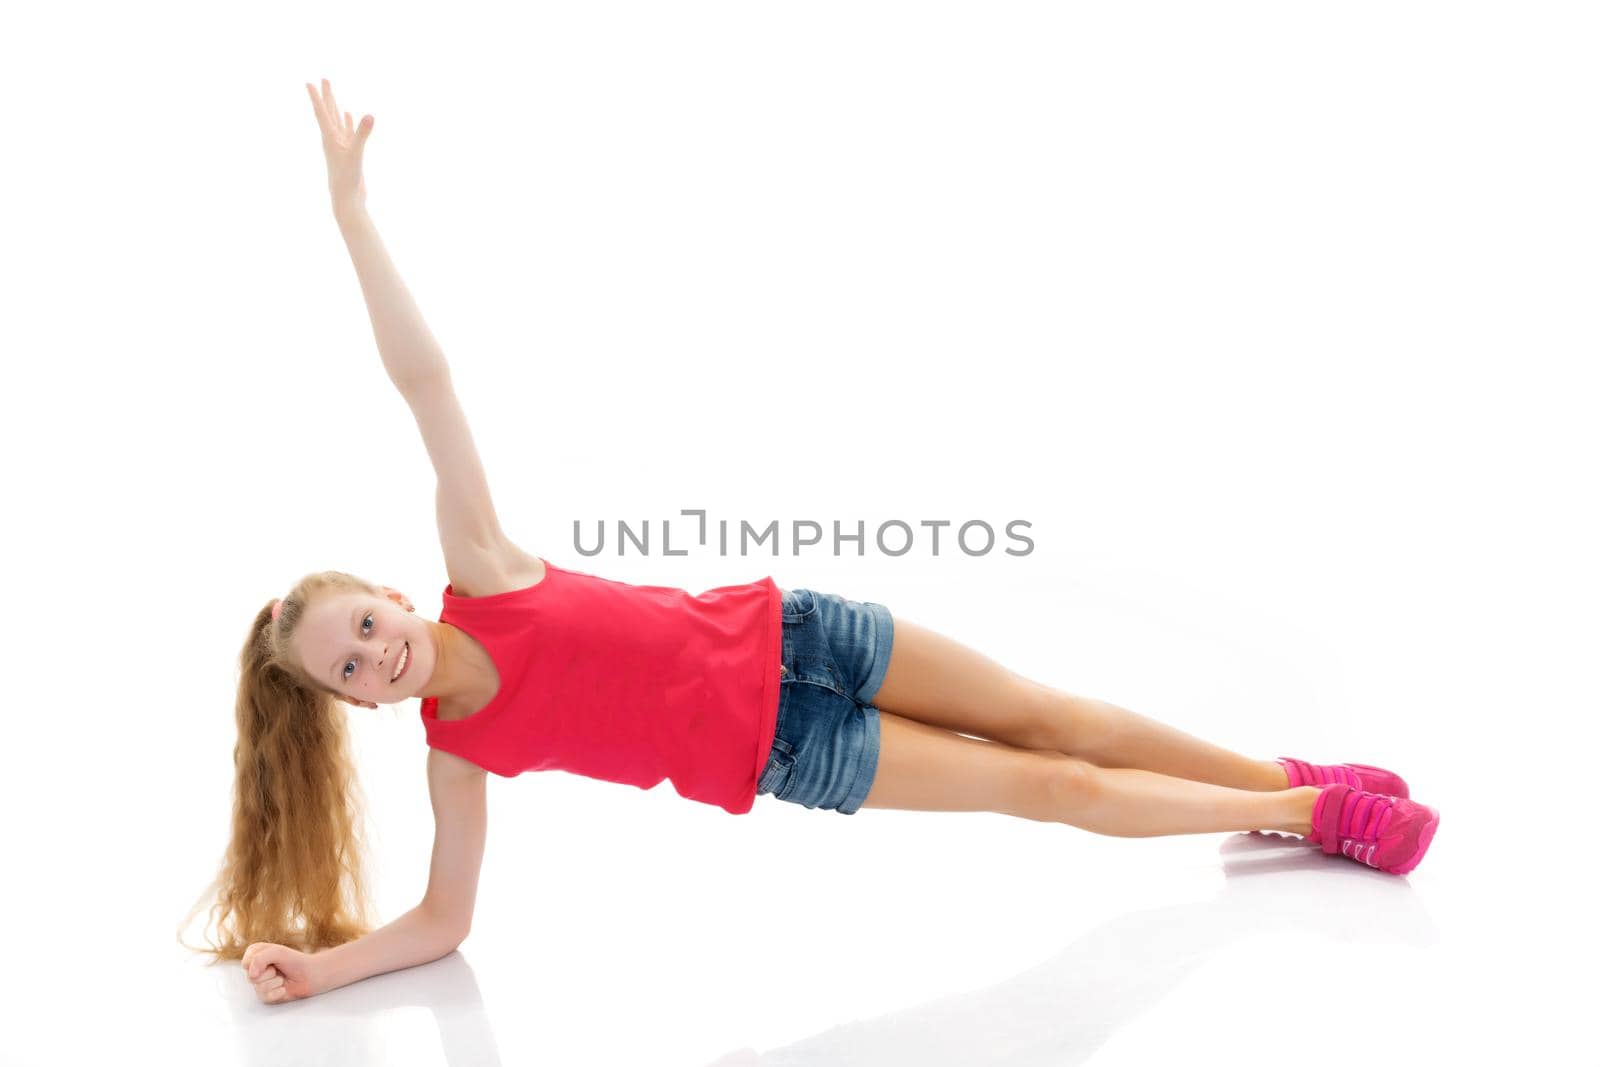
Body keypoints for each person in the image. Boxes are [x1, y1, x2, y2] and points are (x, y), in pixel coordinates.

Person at [179, 79, 1440, 1006]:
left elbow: (428, 381)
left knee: (1058, 712)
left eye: (362, 628)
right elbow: (445, 921)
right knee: (1046, 787)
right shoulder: (460, 749)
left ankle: (1274, 775)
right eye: (346, 672)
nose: (371, 659)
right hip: (796, 748)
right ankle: (1309, 809)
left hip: (803, 627)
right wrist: (323, 968)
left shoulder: (485, 566)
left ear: (390, 598)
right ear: (353, 704)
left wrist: (352, 217)